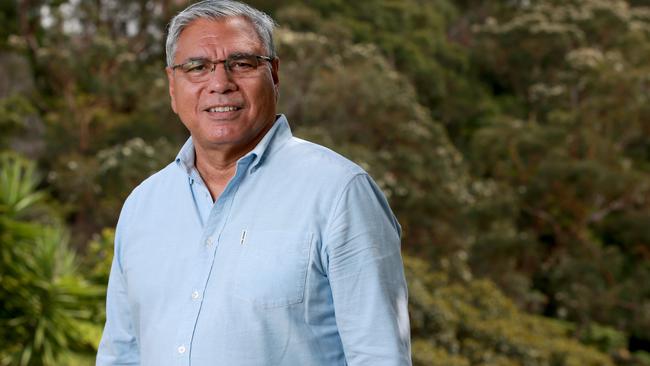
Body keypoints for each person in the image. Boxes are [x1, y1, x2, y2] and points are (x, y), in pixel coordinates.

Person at [96, 1, 411, 365]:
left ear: (274, 75)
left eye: (241, 64)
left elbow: (379, 356)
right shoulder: (142, 206)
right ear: (172, 85)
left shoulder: (340, 193)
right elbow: (121, 355)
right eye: (197, 67)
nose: (220, 83)